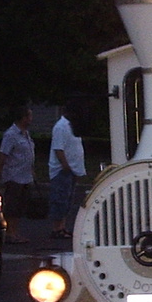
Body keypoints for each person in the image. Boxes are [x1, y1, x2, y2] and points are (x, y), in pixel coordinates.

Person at [0, 106, 35, 244]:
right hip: (14, 176)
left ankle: (15, 232)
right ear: (22, 118)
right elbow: (3, 154)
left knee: (20, 207)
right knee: (12, 206)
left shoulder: (25, 134)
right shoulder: (11, 135)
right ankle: (10, 233)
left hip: (25, 176)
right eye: (29, 116)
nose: (31, 119)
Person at [47, 101, 85, 241]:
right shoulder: (61, 127)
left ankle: (62, 227)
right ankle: (56, 228)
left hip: (72, 170)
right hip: (63, 171)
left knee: (67, 200)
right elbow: (58, 148)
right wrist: (65, 165)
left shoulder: (72, 127)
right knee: (60, 199)